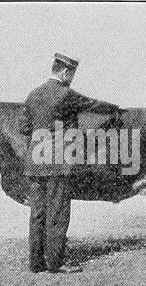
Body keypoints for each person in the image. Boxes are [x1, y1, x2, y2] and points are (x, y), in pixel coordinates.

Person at [23, 53, 91, 273]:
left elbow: (24, 128)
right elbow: (92, 104)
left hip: (35, 163)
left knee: (37, 213)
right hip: (58, 164)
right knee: (58, 213)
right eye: (72, 74)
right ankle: (55, 263)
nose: (72, 78)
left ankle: (36, 263)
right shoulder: (65, 94)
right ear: (65, 72)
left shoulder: (33, 95)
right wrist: (115, 108)